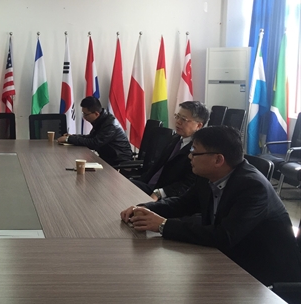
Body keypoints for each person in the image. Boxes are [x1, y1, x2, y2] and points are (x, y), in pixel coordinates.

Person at [120, 126, 301, 286]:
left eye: (195, 152)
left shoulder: (253, 187)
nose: (190, 156)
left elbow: (224, 236)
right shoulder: (208, 176)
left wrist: (162, 225)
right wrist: (145, 208)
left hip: (264, 276)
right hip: (229, 259)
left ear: (218, 160)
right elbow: (183, 204)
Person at [131, 101, 209, 200]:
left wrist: (160, 193)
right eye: (177, 116)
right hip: (151, 187)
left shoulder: (200, 151)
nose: (178, 122)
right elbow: (157, 167)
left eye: (183, 119)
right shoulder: (175, 138)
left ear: (199, 126)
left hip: (166, 197)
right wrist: (139, 182)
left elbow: (187, 184)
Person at [57, 96, 132, 167]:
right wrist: (72, 136)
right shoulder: (101, 120)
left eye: (86, 114)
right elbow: (91, 137)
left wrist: (68, 139)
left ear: (96, 114)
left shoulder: (110, 125)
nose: (84, 117)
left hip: (119, 163)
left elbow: (94, 143)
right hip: (107, 159)